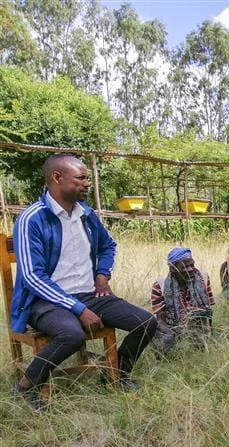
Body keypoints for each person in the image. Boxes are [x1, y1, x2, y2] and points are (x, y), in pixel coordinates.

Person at [11, 154, 158, 408]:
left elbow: (108, 246)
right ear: (57, 178)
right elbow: (33, 276)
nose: (87, 183)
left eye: (87, 178)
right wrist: (78, 309)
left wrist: (102, 276)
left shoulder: (86, 214)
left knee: (145, 322)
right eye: (81, 178)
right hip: (45, 301)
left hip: (90, 294)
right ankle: (26, 387)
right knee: (72, 334)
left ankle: (115, 375)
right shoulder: (31, 219)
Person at [151, 247, 215, 353]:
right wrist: (173, 335)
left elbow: (208, 313)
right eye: (185, 267)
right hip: (173, 330)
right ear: (172, 269)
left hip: (198, 329)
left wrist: (208, 335)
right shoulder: (159, 286)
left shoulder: (203, 279)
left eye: (192, 265)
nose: (190, 269)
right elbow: (161, 320)